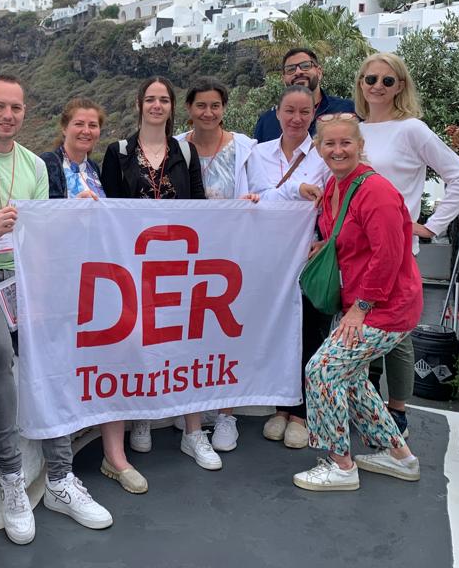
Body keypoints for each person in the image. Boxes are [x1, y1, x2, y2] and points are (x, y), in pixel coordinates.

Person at [0, 81, 114, 546]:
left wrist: (73, 214)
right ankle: (12, 478)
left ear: (25, 112)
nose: (7, 115)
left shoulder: (33, 164)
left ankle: (59, 478)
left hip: (26, 278)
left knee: (53, 347)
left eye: (16, 107)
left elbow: (44, 229)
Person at [293, 113, 422, 491]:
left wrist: (360, 308)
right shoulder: (337, 187)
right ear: (319, 149)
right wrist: (325, 245)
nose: (338, 150)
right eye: (329, 144)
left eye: (345, 142)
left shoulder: (374, 190)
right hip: (369, 303)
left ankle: (341, 465)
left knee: (322, 371)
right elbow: (353, 239)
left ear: (360, 146)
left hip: (385, 307)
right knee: (350, 379)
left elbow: (388, 254)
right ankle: (399, 456)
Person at [100, 76, 217, 470]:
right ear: (139, 104)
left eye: (163, 99)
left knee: (187, 342)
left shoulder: (185, 151)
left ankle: (193, 433)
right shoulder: (117, 153)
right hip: (134, 265)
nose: (156, 105)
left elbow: (199, 205)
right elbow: (108, 213)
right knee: (139, 340)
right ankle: (142, 416)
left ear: (171, 107)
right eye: (150, 99)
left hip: (179, 263)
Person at [356, 52, 459, 436]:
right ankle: (370, 405)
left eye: (387, 80)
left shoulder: (411, 129)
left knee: (396, 333)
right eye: (370, 79)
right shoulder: (356, 129)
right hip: (358, 248)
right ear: (360, 84)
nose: (377, 86)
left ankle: (397, 415)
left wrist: (430, 227)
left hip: (396, 248)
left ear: (400, 86)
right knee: (365, 329)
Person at [42, 98, 147, 495]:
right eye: (79, 124)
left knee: (111, 357)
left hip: (100, 280)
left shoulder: (96, 169)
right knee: (63, 364)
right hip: (60, 282)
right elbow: (36, 217)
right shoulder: (47, 165)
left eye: (93, 125)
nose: (86, 131)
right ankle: (60, 466)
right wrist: (71, 209)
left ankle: (114, 456)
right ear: (64, 126)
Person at [173, 77, 259, 454]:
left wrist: (255, 200)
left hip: (230, 255)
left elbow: (265, 191)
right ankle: (194, 406)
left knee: (227, 333)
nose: (208, 113)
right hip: (187, 257)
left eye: (215, 106)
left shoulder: (246, 148)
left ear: (224, 108)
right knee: (192, 334)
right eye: (200, 105)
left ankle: (226, 413)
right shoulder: (176, 147)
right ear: (189, 109)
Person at [246, 85, 331, 448]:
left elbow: (333, 204)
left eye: (305, 112)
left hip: (309, 257)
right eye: (290, 111)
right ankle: (282, 406)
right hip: (269, 258)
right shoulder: (257, 153)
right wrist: (296, 191)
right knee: (279, 330)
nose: (297, 119)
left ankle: (302, 412)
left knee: (311, 330)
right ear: (277, 113)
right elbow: (257, 200)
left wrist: (328, 239)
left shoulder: (324, 155)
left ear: (314, 115)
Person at [253, 48, 355, 143]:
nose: (298, 72)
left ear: (319, 72)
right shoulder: (267, 122)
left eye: (305, 66)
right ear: (283, 79)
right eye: (290, 69)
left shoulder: (347, 110)